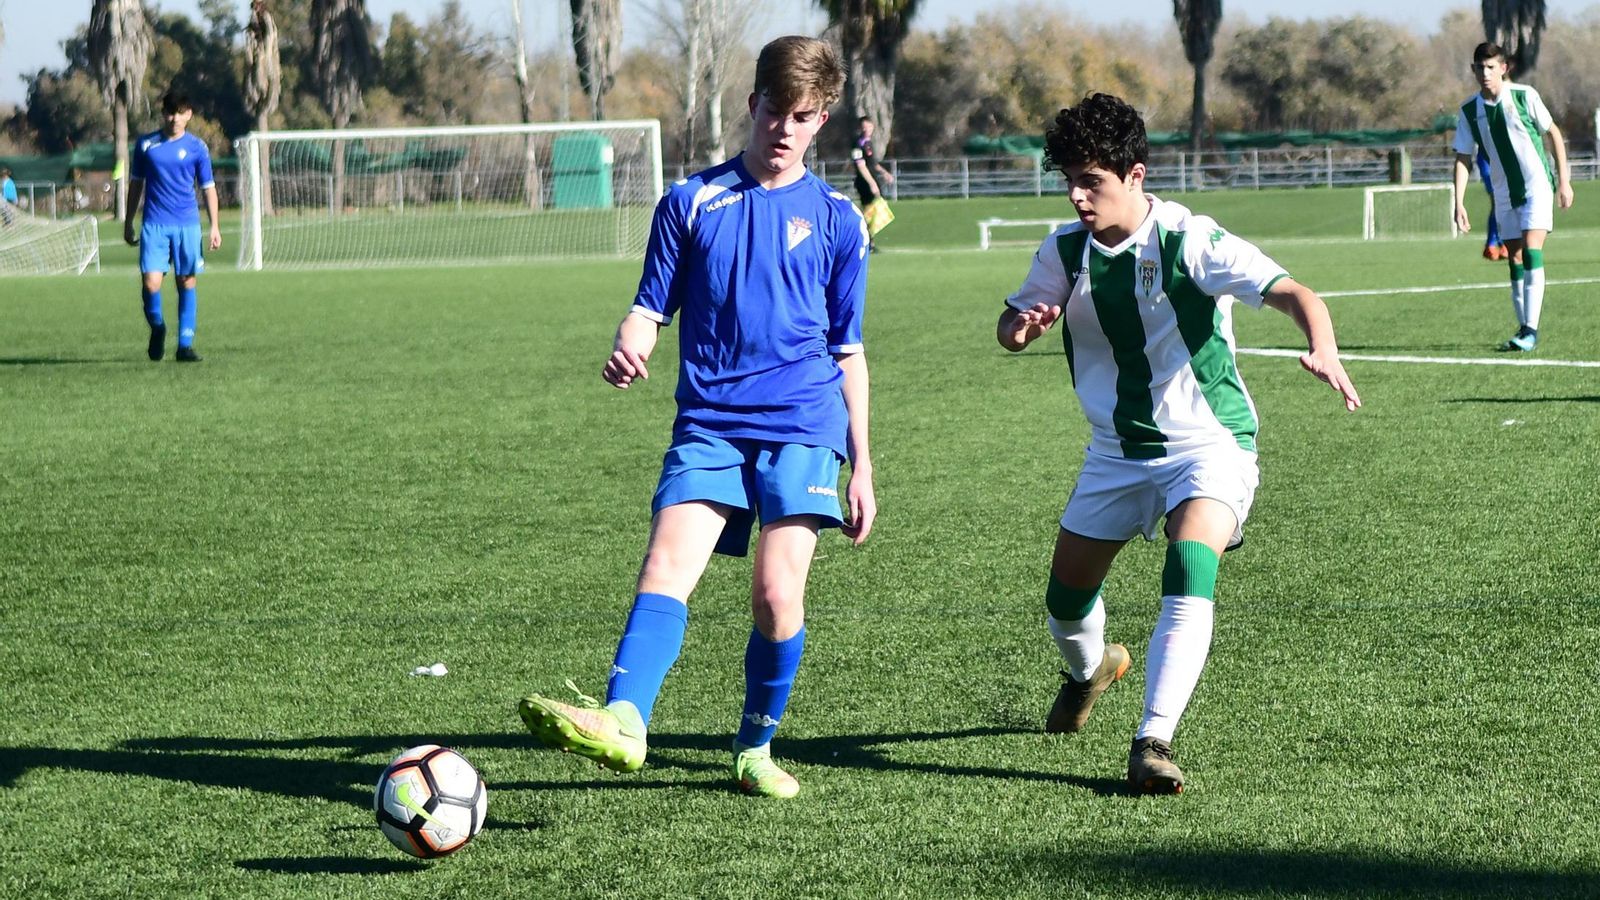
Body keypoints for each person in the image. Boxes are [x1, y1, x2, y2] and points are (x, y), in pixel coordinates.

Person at [518, 36, 875, 800]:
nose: (784, 128)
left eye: (802, 117)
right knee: (665, 568)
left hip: (803, 426)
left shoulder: (842, 222)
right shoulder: (690, 203)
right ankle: (623, 721)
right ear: (751, 105)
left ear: (823, 121)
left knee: (778, 596)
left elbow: (848, 350)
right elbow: (650, 308)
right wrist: (630, 341)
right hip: (709, 423)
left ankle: (754, 747)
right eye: (775, 110)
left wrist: (864, 463)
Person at [995, 93, 1360, 795]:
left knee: (1190, 563)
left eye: (1091, 182)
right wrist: (1022, 328)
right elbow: (1012, 323)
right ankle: (1090, 672)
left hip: (1209, 443)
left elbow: (1293, 291)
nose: (1076, 196)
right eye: (1068, 179)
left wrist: (1323, 345)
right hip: (1115, 450)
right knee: (1065, 604)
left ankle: (1151, 741)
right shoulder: (1063, 250)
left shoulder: (1190, 239)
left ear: (1135, 175)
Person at [1452, 42, 1572, 353]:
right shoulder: (1469, 111)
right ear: (1473, 70)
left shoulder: (1524, 96)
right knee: (1514, 258)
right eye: (1481, 67)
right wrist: (1459, 202)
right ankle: (1523, 328)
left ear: (1504, 69)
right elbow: (1463, 157)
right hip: (1503, 193)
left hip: (1536, 187)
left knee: (1532, 252)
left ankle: (1530, 330)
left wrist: (1564, 182)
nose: (1486, 73)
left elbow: (1553, 133)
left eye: (1492, 67)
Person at [124, 91, 222, 363]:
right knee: (151, 283)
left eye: (180, 112)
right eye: (169, 112)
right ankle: (158, 327)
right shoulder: (146, 145)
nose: (174, 118)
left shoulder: (197, 147)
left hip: (187, 225)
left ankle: (185, 346)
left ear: (189, 114)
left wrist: (215, 226)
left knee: (186, 281)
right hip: (154, 224)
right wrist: (129, 220)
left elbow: (208, 188)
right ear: (162, 113)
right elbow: (135, 184)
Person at [850, 116, 893, 251]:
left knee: (874, 211)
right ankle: (866, 241)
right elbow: (861, 166)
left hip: (872, 180)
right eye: (864, 126)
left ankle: (870, 241)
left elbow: (872, 163)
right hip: (864, 182)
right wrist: (872, 183)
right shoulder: (857, 144)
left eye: (868, 126)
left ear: (872, 126)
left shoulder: (868, 143)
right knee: (869, 211)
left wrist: (884, 173)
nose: (866, 129)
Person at [1476, 150, 1505, 261]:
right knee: (1497, 201)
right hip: (1486, 159)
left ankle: (1497, 244)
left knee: (1500, 203)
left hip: (1502, 159)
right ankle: (1494, 245)